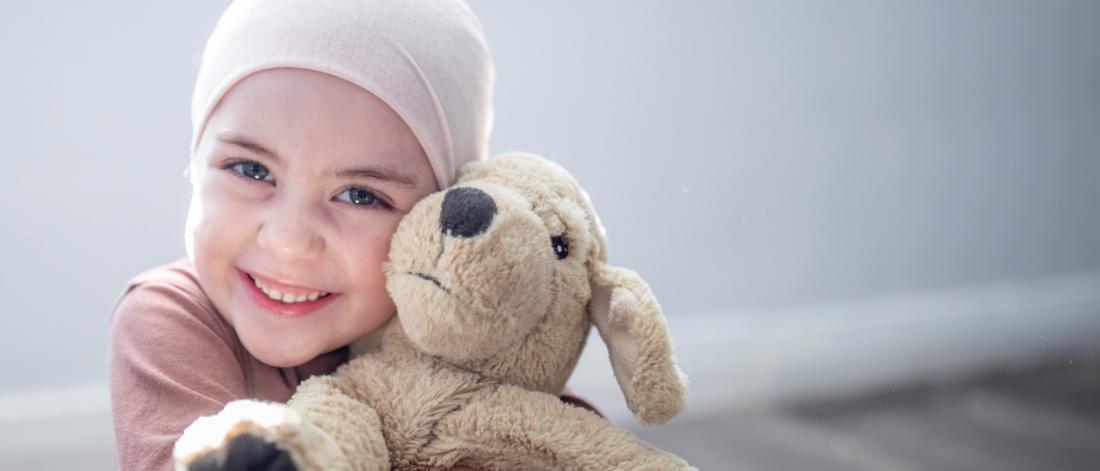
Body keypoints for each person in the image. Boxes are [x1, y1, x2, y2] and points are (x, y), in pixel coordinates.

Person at [107, 1, 598, 469]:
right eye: (251, 170)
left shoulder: (466, 326)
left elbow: (559, 434)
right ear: (195, 163)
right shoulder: (169, 317)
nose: (289, 241)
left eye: (361, 195)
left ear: (437, 212)